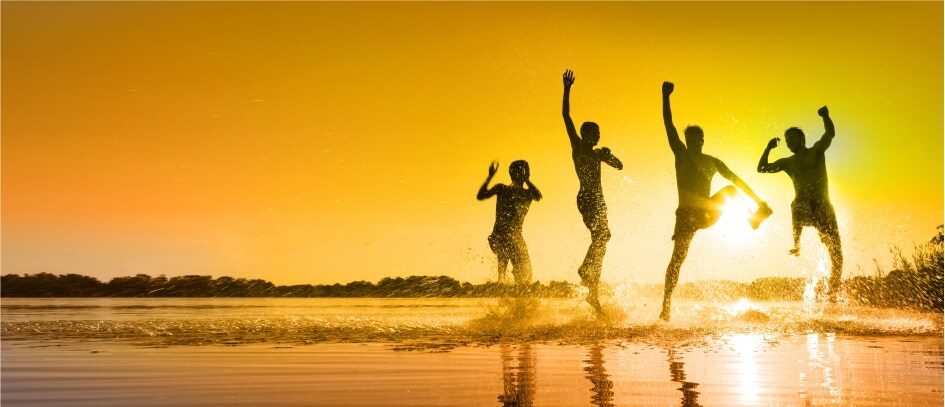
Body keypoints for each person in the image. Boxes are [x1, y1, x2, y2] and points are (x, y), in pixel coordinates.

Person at [659, 81, 772, 321]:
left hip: (707, 213)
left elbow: (737, 180)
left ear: (703, 140)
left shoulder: (712, 161)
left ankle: (753, 218)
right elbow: (668, 126)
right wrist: (665, 97)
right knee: (677, 259)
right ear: (686, 140)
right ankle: (666, 305)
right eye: (691, 138)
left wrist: (757, 200)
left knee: (730, 189)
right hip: (686, 215)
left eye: (698, 138)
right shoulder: (681, 153)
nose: (695, 141)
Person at [757, 106, 842, 300]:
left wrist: (826, 116)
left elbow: (830, 133)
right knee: (796, 203)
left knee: (836, 253)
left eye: (792, 139)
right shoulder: (788, 162)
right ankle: (797, 243)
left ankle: (833, 292)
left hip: (823, 208)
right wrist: (768, 148)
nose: (788, 143)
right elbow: (762, 168)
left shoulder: (816, 151)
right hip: (803, 207)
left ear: (802, 139)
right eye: (787, 141)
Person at [562, 69, 624, 313]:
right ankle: (585, 271)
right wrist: (567, 89)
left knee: (603, 240)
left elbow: (620, 167)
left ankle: (593, 292)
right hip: (586, 198)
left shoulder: (598, 154)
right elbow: (566, 116)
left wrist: (610, 156)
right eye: (593, 133)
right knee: (601, 238)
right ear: (584, 134)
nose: (596, 136)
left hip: (599, 200)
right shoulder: (578, 147)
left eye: (598, 133)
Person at [478, 160, 542, 285]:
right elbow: (481, 195)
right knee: (507, 244)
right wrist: (490, 176)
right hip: (499, 236)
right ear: (513, 174)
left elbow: (538, 196)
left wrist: (527, 180)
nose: (522, 174)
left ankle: (514, 286)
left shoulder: (527, 193)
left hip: (516, 237)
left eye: (525, 171)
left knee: (525, 274)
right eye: (520, 171)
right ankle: (501, 280)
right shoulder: (502, 188)